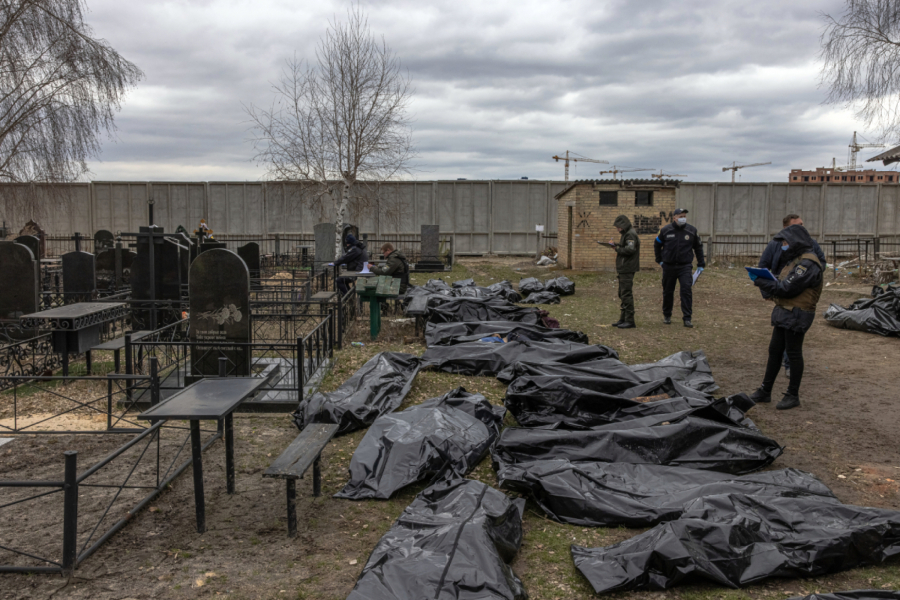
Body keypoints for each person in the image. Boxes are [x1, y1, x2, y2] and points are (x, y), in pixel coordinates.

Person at [748, 224, 824, 411]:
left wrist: (761, 282)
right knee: (775, 350)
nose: (783, 245)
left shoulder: (807, 264)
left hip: (798, 314)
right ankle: (765, 390)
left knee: (794, 353)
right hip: (786, 312)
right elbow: (784, 285)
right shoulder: (797, 260)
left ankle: (792, 395)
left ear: (795, 242)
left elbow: (787, 288)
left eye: (785, 242)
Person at [758, 213, 827, 377]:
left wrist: (809, 278)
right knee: (776, 346)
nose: (801, 229)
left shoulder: (810, 250)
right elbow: (764, 267)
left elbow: (820, 263)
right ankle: (767, 387)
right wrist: (766, 290)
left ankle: (790, 375)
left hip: (798, 301)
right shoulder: (776, 245)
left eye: (802, 224)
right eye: (796, 225)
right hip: (781, 297)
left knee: (792, 344)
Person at [653, 208, 705, 327]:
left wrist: (701, 264)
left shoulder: (691, 231)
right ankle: (667, 315)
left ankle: (687, 318)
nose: (683, 218)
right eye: (681, 216)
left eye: (685, 216)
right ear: (674, 217)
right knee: (667, 292)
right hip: (669, 266)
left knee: (686, 291)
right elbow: (657, 244)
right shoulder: (666, 230)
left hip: (685, 266)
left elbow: (698, 248)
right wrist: (659, 260)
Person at [601, 215, 640, 329]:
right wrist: (616, 245)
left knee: (626, 293)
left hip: (627, 267)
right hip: (624, 267)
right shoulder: (626, 234)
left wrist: (617, 249)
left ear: (623, 225)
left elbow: (630, 249)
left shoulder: (630, 234)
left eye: (618, 227)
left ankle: (629, 320)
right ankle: (623, 318)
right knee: (622, 293)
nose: (617, 229)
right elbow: (626, 246)